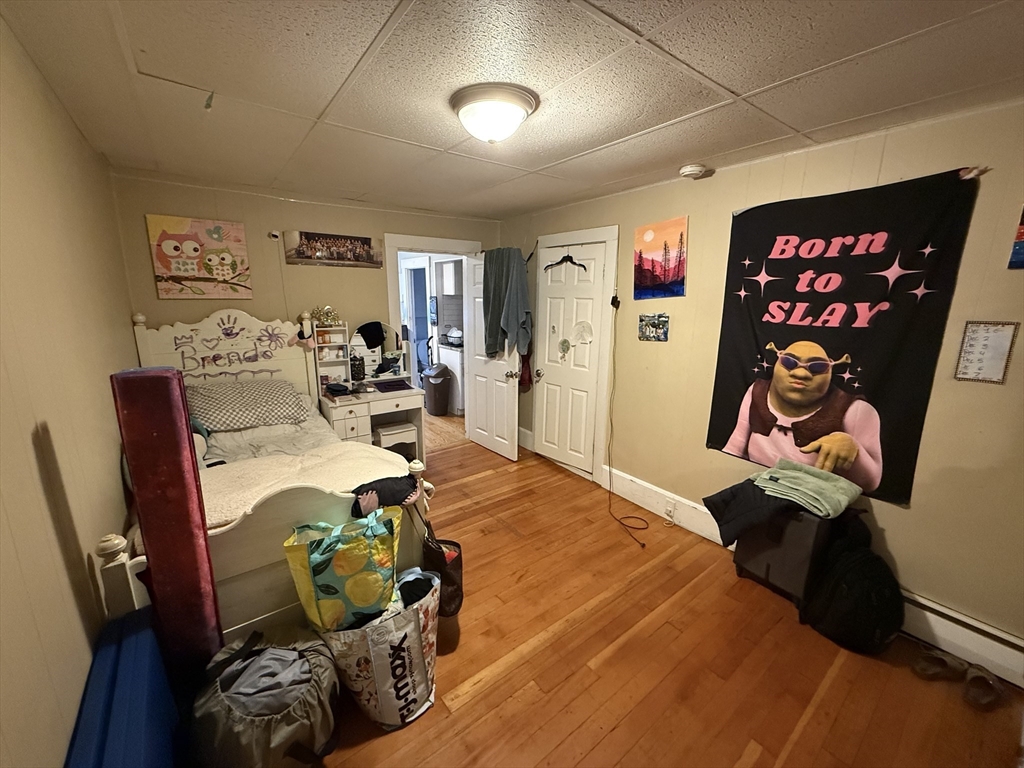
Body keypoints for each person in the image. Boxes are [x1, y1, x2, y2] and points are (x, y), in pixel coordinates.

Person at [724, 340, 883, 491]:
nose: (800, 374)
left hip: (813, 503)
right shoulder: (756, 391)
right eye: (789, 362)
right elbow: (736, 445)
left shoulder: (856, 410)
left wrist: (854, 449)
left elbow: (872, 483)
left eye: (817, 367)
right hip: (757, 488)